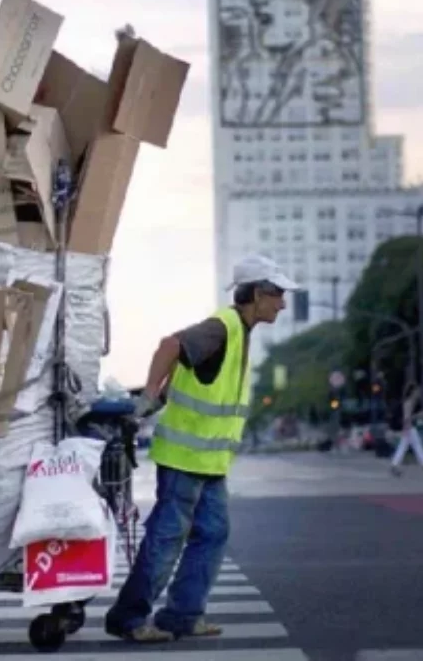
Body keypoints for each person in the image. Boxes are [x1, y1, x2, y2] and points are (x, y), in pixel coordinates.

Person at [104, 254, 298, 643]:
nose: (282, 303)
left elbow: (191, 370)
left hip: (208, 461)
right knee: (167, 537)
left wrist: (164, 392)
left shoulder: (237, 333)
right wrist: (147, 399)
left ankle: (182, 615)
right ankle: (128, 618)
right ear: (257, 293)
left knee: (213, 532)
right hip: (185, 459)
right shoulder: (222, 327)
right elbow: (170, 346)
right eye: (276, 294)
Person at [390, 381, 423, 476]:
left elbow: (408, 417)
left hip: (409, 428)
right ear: (412, 392)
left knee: (410, 446)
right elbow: (407, 417)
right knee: (411, 446)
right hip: (408, 427)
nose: (418, 393)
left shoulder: (412, 402)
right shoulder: (408, 402)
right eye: (417, 391)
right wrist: (417, 416)